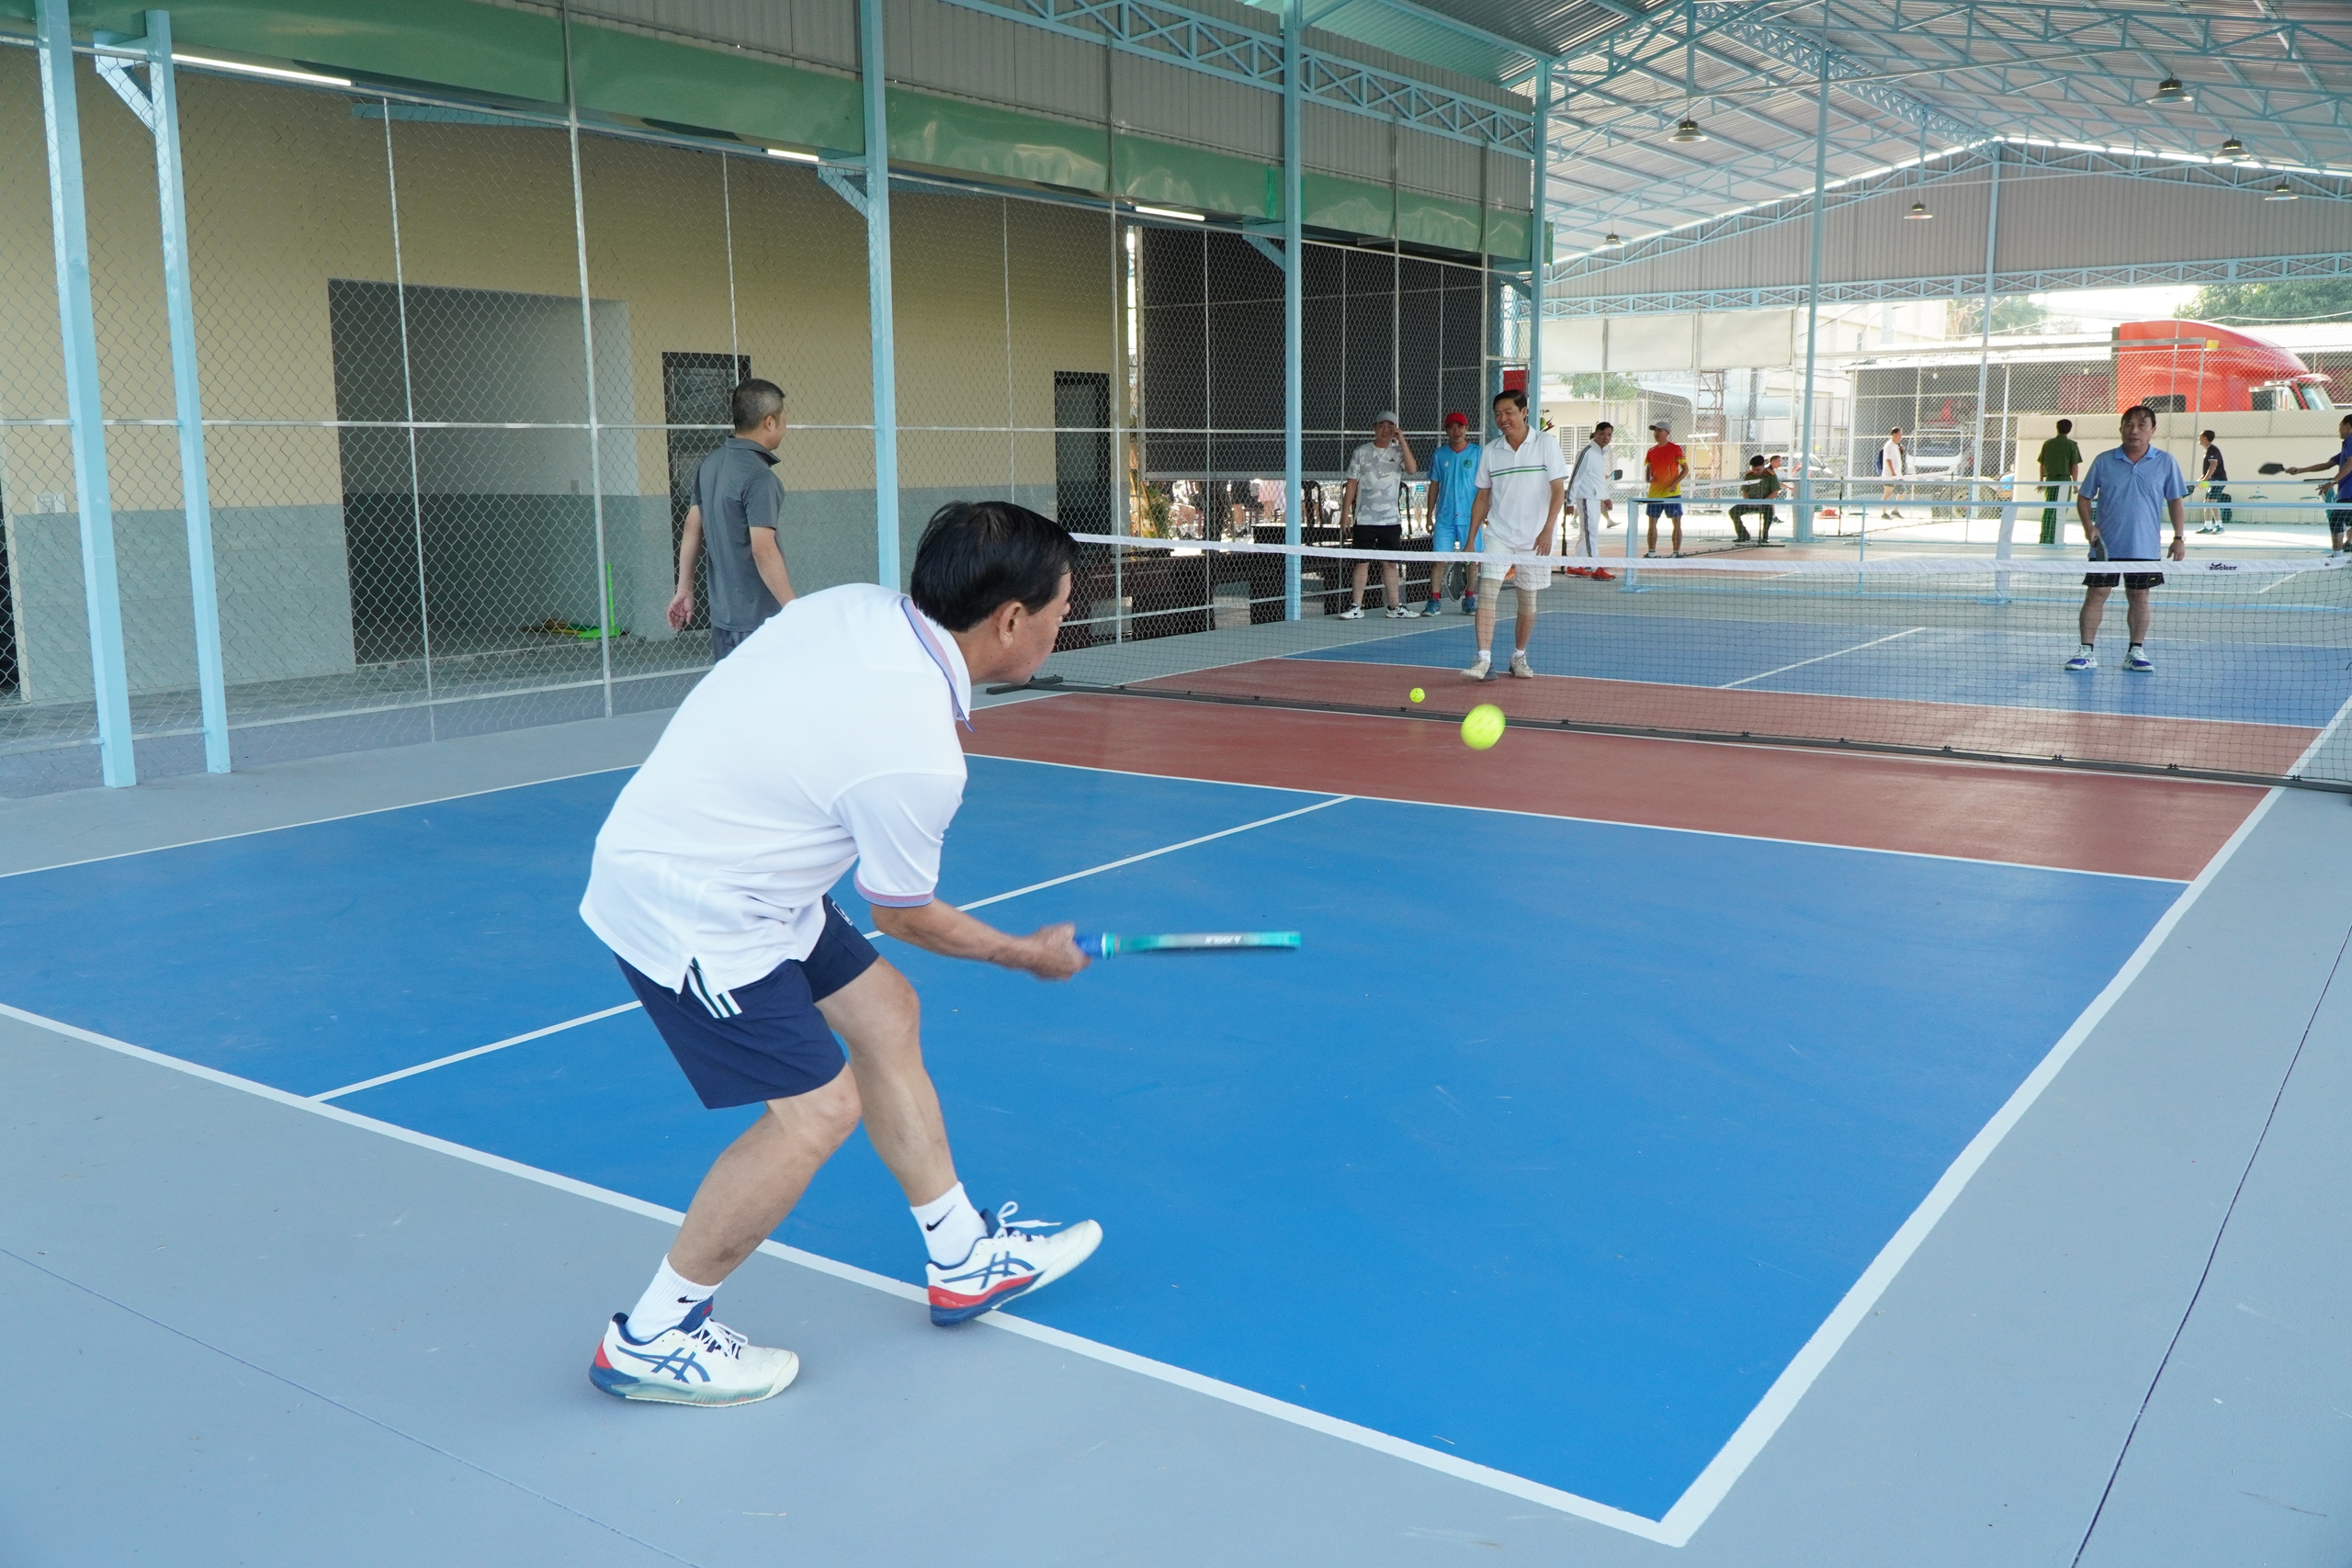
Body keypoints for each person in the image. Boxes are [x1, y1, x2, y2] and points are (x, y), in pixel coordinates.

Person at [582, 501, 1102, 1406]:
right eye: (1062, 608)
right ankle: (656, 1335)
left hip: (753, 868)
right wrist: (1026, 953)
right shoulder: (918, 757)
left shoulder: (855, 606)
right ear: (1010, 619)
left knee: (885, 1009)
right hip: (693, 904)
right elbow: (903, 912)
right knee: (816, 1113)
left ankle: (961, 1255)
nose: (1065, 624)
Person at [671, 379, 797, 660]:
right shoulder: (760, 478)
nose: (785, 428)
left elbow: (692, 527)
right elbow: (763, 548)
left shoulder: (710, 464)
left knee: (731, 697)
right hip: (758, 620)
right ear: (769, 423)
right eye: (784, 420)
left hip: (722, 616)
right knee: (764, 700)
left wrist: (684, 588)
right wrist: (793, 609)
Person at [2067, 405, 2188, 675]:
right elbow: (2084, 497)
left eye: (2142, 425)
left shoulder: (2166, 462)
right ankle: (2086, 651)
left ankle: (2136, 651)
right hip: (2106, 547)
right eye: (2129, 425)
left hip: (2144, 546)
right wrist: (2089, 528)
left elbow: (2175, 500)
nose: (2134, 430)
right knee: (2096, 595)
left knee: (2139, 597)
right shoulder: (2103, 461)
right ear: (2120, 428)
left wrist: (2179, 537)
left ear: (2153, 430)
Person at [1461, 388, 1566, 682]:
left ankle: (1519, 656)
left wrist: (1547, 530)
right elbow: (1482, 497)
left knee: (1527, 602)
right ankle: (1483, 660)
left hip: (1535, 538)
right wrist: (1471, 539)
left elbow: (1558, 490)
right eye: (1498, 414)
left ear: (1523, 412)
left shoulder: (1546, 444)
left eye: (1509, 412)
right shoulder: (1491, 451)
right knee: (1487, 593)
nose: (1503, 418)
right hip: (1499, 534)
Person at [1340, 412, 1419, 619]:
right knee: (1361, 562)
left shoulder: (1399, 452)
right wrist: (1345, 514)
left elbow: (1412, 469)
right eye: (1381, 425)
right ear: (1374, 427)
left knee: (1390, 563)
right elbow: (1351, 483)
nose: (1386, 429)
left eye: (1390, 425)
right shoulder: (1361, 452)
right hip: (1365, 519)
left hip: (1390, 519)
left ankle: (1394, 607)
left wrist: (1402, 440)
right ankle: (1356, 606)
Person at [1423, 411, 1482, 615]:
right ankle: (1434, 601)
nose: (1456, 431)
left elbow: (1486, 487)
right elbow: (1434, 485)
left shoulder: (1477, 453)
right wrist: (1429, 514)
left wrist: (1486, 512)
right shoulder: (1440, 455)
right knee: (1439, 560)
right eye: (1451, 427)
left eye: (1460, 426)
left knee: (1472, 560)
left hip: (1470, 518)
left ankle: (1470, 599)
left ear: (1466, 429)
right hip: (1445, 518)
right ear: (1447, 430)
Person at [2284, 414, 2352, 553]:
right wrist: (2300, 470)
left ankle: (2337, 557)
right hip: (2346, 492)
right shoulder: (2346, 446)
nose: (2339, 429)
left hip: (2349, 492)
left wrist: (2332, 482)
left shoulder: (2351, 441)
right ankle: (2346, 546)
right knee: (2343, 520)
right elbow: (2327, 465)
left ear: (2347, 426)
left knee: (2336, 519)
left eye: (2340, 426)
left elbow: (2351, 463)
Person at [1563, 423, 1618, 581]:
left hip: (1594, 499)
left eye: (1609, 435)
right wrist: (1570, 502)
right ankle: (1596, 568)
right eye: (1602, 434)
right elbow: (1576, 477)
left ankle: (1573, 567)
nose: (1605, 437)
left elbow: (1597, 479)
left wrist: (1605, 496)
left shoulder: (1599, 453)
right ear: (1595, 434)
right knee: (1590, 533)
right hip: (1585, 498)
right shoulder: (1586, 452)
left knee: (1587, 533)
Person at [1642, 418, 1688, 557]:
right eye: (1655, 430)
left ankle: (1676, 552)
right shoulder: (1651, 451)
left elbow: (1685, 469)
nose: (1656, 433)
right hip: (1654, 494)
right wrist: (1648, 476)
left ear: (1667, 433)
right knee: (1652, 523)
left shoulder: (1675, 449)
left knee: (1676, 523)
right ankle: (1651, 552)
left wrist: (1674, 483)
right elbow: (1649, 468)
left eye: (1659, 430)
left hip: (1672, 494)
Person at [2035, 419, 2083, 546]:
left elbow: (2042, 464)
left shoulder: (2048, 444)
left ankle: (2045, 537)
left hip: (2050, 480)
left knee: (2049, 508)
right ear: (2070, 429)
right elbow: (2074, 466)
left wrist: (2041, 481)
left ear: (2057, 428)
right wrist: (2075, 484)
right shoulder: (2071, 445)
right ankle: (2056, 538)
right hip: (2064, 481)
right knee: (2060, 509)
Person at [1729, 454, 1781, 543]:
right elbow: (1745, 491)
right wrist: (1748, 501)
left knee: (1769, 513)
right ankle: (1743, 535)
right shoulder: (1749, 475)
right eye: (1753, 470)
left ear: (1763, 466)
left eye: (1758, 470)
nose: (1755, 472)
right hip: (1750, 502)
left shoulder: (1770, 475)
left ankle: (1764, 537)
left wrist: (1763, 502)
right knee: (1733, 511)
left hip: (1764, 503)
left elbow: (1775, 492)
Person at [2194, 429, 2231, 535]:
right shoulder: (2207, 450)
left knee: (2212, 502)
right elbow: (2207, 470)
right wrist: (2202, 479)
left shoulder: (2212, 450)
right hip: (2212, 481)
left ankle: (2219, 526)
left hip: (2218, 480)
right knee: (2207, 502)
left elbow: (2213, 465)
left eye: (2200, 436)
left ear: (2205, 438)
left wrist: (2205, 479)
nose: (2198, 438)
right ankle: (2208, 526)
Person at [1879, 426, 1908, 519]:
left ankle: (1895, 510)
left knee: (1903, 491)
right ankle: (1883, 513)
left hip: (1897, 474)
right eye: (1899, 434)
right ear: (1894, 434)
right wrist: (1892, 473)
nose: (1901, 436)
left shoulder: (1896, 445)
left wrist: (1901, 451)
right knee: (1888, 492)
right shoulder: (1889, 445)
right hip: (1889, 475)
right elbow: (1888, 460)